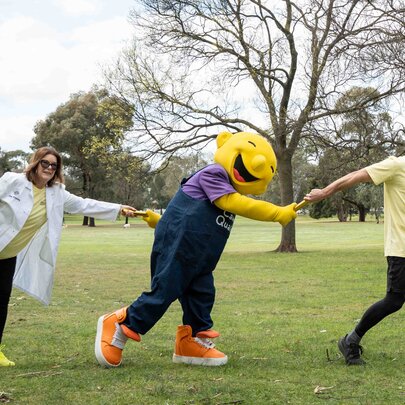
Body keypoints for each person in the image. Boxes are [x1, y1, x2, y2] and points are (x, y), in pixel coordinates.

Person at [95, 131, 298, 368]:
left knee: (202, 295)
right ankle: (119, 323)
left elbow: (190, 214)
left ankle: (190, 341)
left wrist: (160, 221)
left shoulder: (227, 189)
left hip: (201, 257)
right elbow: (229, 203)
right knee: (165, 290)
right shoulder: (214, 174)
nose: (259, 164)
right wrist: (277, 213)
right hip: (181, 248)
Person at [0, 146, 136, 367]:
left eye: (54, 165)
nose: (50, 168)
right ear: (35, 162)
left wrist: (118, 208)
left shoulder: (57, 193)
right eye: (45, 163)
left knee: (1, 303)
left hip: (8, 256)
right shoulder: (12, 181)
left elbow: (85, 204)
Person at [304, 156, 405, 365]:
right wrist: (324, 192)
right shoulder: (396, 165)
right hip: (400, 248)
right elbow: (355, 176)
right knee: (394, 301)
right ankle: (351, 340)